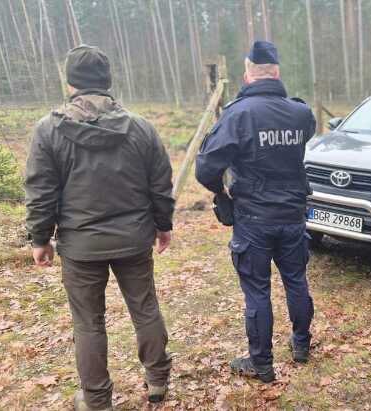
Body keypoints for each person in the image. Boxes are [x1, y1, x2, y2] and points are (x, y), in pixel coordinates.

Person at [24, 45, 174, 410]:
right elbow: (160, 183)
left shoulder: (49, 130)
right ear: (107, 80)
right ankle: (157, 381)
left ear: (70, 81)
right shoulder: (140, 127)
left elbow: (41, 190)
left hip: (80, 246)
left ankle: (95, 399)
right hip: (133, 238)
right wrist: (163, 224)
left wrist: (39, 238)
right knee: (145, 308)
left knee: (88, 323)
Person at [195, 41, 316, 383]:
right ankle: (302, 344)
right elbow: (306, 135)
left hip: (254, 220)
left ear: (247, 74)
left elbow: (205, 167)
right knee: (296, 281)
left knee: (258, 291)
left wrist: (222, 191)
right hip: (293, 215)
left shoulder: (238, 114)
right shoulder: (300, 113)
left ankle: (261, 364)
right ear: (276, 72)